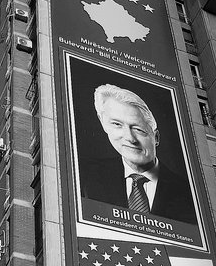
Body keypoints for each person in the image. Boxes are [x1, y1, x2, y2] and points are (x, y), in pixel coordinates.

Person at [80, 84, 197, 224]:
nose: (130, 138)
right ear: (103, 123)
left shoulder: (189, 193)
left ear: (156, 137)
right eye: (117, 124)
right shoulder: (84, 176)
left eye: (139, 129)